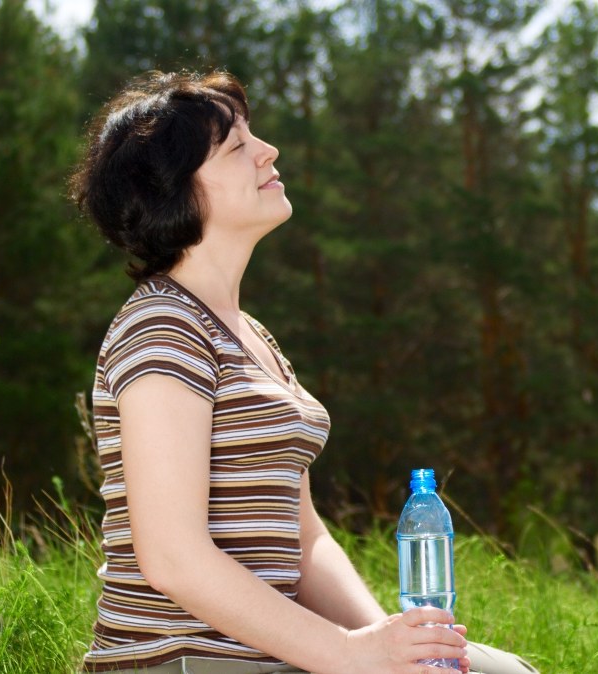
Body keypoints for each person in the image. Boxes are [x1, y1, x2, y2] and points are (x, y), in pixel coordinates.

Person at [70, 70, 540, 674]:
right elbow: (171, 556)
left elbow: (306, 538)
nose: (268, 150)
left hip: (274, 657)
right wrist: (349, 656)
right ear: (177, 193)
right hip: (181, 660)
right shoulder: (162, 328)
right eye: (238, 146)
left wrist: (390, 647)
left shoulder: (251, 336)